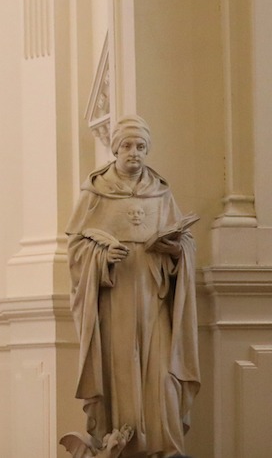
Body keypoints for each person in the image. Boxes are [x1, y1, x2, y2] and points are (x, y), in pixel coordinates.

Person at [63, 115, 199, 458]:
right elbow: (76, 249)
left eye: (140, 146)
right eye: (126, 145)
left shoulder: (161, 192)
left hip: (156, 300)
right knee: (120, 377)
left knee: (162, 378)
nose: (134, 153)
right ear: (114, 149)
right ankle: (124, 445)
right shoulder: (95, 192)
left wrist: (174, 250)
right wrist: (102, 256)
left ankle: (162, 447)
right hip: (115, 302)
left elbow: (185, 244)